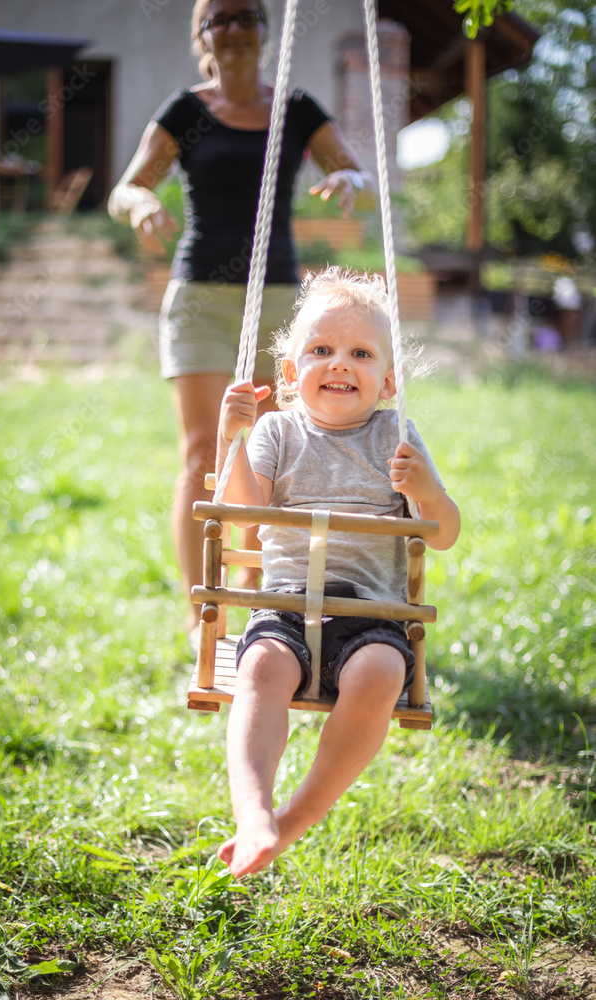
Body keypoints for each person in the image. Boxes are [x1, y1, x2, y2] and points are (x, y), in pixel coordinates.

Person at [108, 0, 375, 638]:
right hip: (200, 296)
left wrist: (350, 182)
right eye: (218, 19)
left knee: (273, 456)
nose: (233, 29)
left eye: (245, 16)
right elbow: (125, 187)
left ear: (265, 30)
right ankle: (203, 611)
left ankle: (262, 596)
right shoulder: (185, 110)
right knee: (204, 452)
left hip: (280, 301)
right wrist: (142, 203)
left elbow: (357, 173)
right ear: (202, 36)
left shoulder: (296, 108)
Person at [214, 267, 461, 878]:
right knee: (262, 667)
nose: (339, 363)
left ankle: (292, 821)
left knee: (380, 672)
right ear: (293, 375)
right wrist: (232, 440)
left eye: (360, 352)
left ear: (388, 381)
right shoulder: (277, 430)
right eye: (321, 350)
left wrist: (428, 492)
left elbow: (446, 533)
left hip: (370, 616)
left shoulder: (396, 437)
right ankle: (252, 812)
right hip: (287, 607)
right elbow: (243, 518)